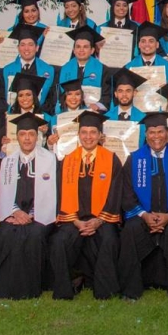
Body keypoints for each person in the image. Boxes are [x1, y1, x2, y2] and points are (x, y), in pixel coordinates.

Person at [118, 113, 168, 299]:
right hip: (143, 216)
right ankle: (131, 291)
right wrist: (144, 215)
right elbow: (127, 194)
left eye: (160, 131)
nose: (156, 136)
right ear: (146, 135)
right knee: (130, 231)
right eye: (152, 132)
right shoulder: (135, 159)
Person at [50, 111, 125, 300]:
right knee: (59, 241)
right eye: (84, 132)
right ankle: (64, 289)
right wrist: (75, 222)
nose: (88, 137)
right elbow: (60, 193)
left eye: (93, 132)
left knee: (108, 240)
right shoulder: (68, 160)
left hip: (102, 218)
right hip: (73, 218)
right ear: (78, 135)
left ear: (100, 135)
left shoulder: (111, 159)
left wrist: (99, 221)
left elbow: (116, 193)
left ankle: (103, 289)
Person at [0, 112, 59, 299]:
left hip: (39, 215)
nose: (27, 138)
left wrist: (31, 213)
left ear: (37, 137)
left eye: (31, 134)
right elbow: (2, 192)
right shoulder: (7, 161)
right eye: (23, 134)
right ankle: (6, 289)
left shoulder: (50, 159)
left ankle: (29, 289)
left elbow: (53, 192)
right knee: (7, 233)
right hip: (14, 214)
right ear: (17, 137)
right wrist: (14, 211)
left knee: (34, 234)